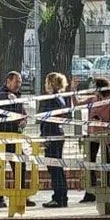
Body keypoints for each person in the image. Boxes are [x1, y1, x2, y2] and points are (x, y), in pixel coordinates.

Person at [0, 71, 30, 209]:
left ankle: (21, 195)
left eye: (20, 82)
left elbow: (23, 112)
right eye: (16, 81)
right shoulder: (0, 93)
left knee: (21, 165)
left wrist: (24, 120)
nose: (19, 84)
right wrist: (8, 96)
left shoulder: (18, 95)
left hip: (14, 137)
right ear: (8, 81)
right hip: (0, 137)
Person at [80, 78, 110, 205]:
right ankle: (90, 193)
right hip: (92, 136)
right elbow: (77, 104)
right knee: (90, 162)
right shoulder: (92, 100)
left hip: (106, 138)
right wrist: (73, 90)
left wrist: (102, 122)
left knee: (106, 163)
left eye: (95, 86)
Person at [37, 72, 72, 207]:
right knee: (57, 167)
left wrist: (44, 137)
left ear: (50, 83)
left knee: (54, 167)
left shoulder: (52, 99)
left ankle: (58, 197)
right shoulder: (60, 98)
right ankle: (62, 196)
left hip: (52, 135)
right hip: (58, 133)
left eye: (46, 82)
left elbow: (47, 119)